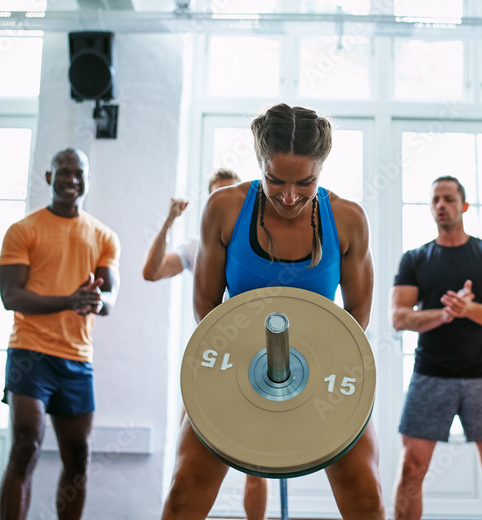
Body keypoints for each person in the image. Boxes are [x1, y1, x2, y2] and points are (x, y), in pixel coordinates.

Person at [161, 103, 385, 520]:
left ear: (322, 168)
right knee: (184, 489)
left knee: (367, 495)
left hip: (323, 367)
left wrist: (314, 368)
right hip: (235, 367)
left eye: (305, 183)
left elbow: (358, 314)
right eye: (274, 180)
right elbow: (205, 305)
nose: (288, 195)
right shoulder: (224, 208)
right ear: (259, 162)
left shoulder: (348, 219)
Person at [0, 148, 121, 520]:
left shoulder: (103, 236)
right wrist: (69, 300)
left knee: (78, 458)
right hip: (29, 354)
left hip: (77, 359)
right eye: (63, 172)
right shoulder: (24, 230)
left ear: (87, 178)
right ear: (49, 178)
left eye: (79, 173)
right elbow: (11, 296)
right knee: (25, 446)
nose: (72, 180)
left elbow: (110, 299)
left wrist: (94, 301)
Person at [142, 168, 270, 520]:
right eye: (217, 194)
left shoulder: (260, 246)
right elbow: (151, 272)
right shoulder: (196, 247)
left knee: (257, 464)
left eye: (231, 192)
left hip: (254, 358)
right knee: (188, 465)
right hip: (211, 360)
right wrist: (169, 221)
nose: (224, 200)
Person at [391, 176, 482, 520]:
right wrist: (445, 314)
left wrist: (470, 310)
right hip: (430, 375)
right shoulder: (415, 259)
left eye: (449, 198)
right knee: (411, 470)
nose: (441, 205)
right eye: (435, 199)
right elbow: (399, 317)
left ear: (463, 205)